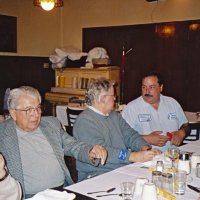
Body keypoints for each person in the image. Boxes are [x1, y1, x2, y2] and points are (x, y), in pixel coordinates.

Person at [0, 86, 107, 199]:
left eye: (38, 108)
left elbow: (72, 145)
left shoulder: (50, 124)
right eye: (28, 110)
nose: (36, 114)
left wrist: (90, 151)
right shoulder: (3, 134)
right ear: (13, 113)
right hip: (29, 197)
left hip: (61, 192)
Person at [73, 78, 160, 181]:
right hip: (96, 175)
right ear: (103, 98)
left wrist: (145, 149)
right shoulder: (85, 121)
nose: (115, 98)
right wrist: (133, 156)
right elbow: (103, 151)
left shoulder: (114, 115)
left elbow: (130, 135)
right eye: (113, 95)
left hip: (121, 169)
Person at [122, 71, 189, 152]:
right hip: (145, 158)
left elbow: (185, 124)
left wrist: (181, 133)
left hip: (173, 155)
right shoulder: (131, 108)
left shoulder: (172, 103)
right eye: (144, 87)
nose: (147, 91)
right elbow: (122, 137)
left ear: (161, 87)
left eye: (152, 87)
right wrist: (147, 139)